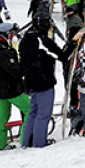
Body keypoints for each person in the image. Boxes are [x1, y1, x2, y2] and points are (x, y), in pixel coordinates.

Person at [0, 23, 30, 151]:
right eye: (13, 34)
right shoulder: (3, 54)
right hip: (12, 90)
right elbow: (16, 72)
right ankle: (27, 139)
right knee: (31, 110)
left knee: (2, 116)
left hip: (0, 90)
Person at [18, 13, 65, 148]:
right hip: (43, 80)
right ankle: (39, 142)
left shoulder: (25, 38)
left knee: (33, 112)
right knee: (43, 113)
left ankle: (27, 141)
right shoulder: (41, 40)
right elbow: (60, 54)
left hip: (30, 80)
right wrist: (73, 43)